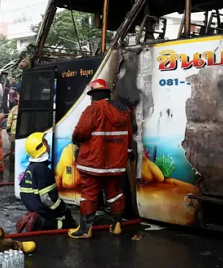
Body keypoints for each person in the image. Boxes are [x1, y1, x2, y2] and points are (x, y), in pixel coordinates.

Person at [68, 79, 134, 239]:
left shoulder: (94, 109)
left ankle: (85, 229)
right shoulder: (124, 110)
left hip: (94, 162)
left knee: (89, 193)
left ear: (94, 95)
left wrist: (76, 140)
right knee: (115, 192)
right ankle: (117, 224)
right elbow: (129, 136)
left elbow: (80, 133)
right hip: (115, 163)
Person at [16, 132, 76, 232]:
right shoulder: (42, 170)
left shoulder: (31, 167)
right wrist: (63, 208)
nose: (48, 146)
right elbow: (47, 199)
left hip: (33, 207)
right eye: (46, 143)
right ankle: (39, 223)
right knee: (67, 222)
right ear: (40, 148)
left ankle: (35, 217)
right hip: (42, 209)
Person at [5, 93, 20, 165]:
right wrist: (8, 128)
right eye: (18, 101)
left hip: (22, 133)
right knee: (12, 148)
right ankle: (12, 162)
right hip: (14, 132)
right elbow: (9, 119)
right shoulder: (14, 109)